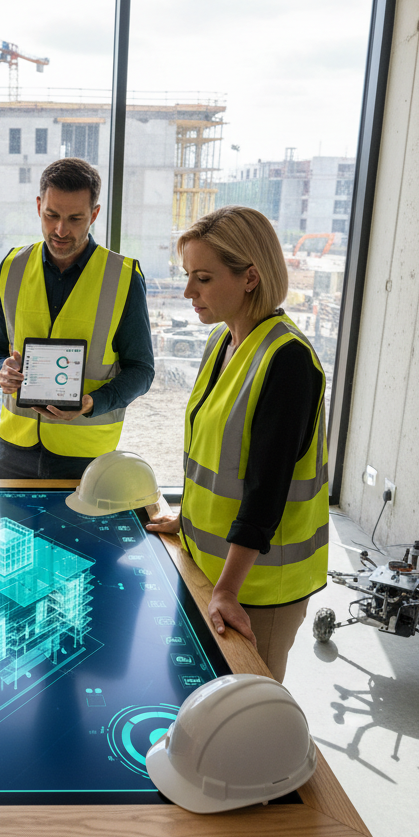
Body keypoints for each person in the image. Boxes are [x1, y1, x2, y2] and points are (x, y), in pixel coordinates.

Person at [145, 205, 328, 683]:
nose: (188, 292)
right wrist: (186, 520)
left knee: (244, 726)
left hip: (256, 587)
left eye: (202, 278)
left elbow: (266, 490)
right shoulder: (223, 341)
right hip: (210, 567)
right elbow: (217, 458)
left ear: (250, 277)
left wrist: (227, 589)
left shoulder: (288, 362)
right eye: (188, 276)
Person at [0, 157, 154, 479]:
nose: (61, 230)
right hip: (14, 447)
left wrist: (92, 403)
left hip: (86, 455)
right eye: (51, 215)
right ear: (38, 206)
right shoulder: (11, 267)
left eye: (75, 218)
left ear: (94, 215)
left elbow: (142, 370)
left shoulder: (124, 278)